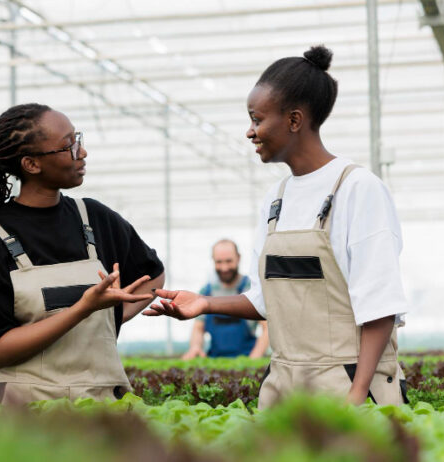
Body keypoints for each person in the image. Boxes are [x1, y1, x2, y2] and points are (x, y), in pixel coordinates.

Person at [145, 45, 410, 409]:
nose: (250, 132)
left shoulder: (357, 189)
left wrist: (356, 394)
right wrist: (204, 303)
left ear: (295, 120)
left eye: (257, 119)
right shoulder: (276, 199)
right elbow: (267, 300)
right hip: (285, 385)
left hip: (348, 382)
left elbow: (380, 306)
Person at [0, 103, 165, 405]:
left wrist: (108, 316)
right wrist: (83, 310)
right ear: (31, 164)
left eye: (78, 140)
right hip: (21, 411)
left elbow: (151, 276)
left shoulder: (94, 217)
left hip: (100, 405)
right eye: (69, 146)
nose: (82, 152)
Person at [182, 239, 269, 359]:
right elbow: (198, 328)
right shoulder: (206, 292)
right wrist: (195, 347)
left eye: (229, 261)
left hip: (247, 357)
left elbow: (267, 328)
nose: (224, 268)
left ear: (238, 258)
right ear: (213, 260)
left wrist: (254, 358)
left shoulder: (252, 289)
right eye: (219, 262)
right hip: (214, 360)